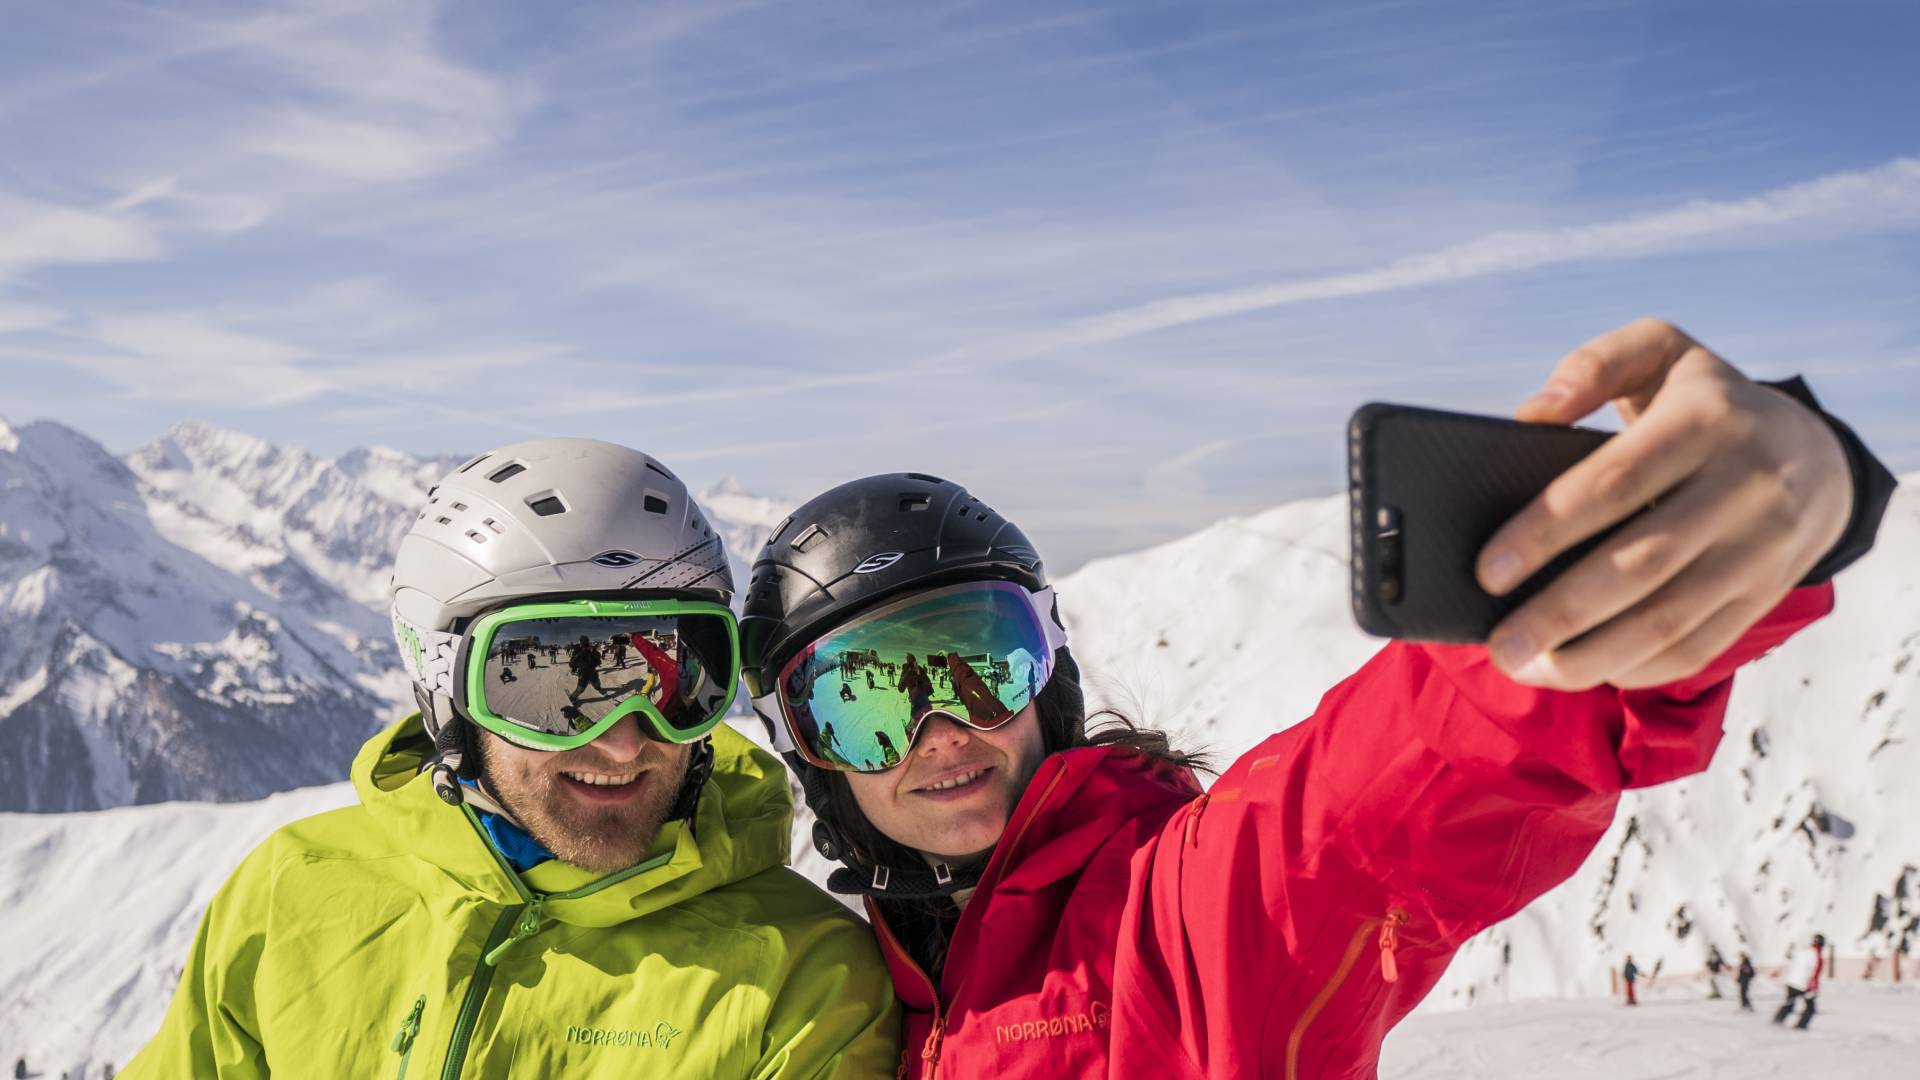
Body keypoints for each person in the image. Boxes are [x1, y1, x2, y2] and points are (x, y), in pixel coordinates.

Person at [738, 320, 1896, 1077]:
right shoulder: (843, 1004)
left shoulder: (1191, 922)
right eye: (864, 703)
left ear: (1052, 671)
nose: (941, 730)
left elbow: (1406, 780)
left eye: (980, 660)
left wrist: (1743, 518)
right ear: (811, 755)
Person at [127, 438, 898, 1077]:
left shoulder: (801, 979)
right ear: (445, 691)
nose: (627, 741)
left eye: (675, 682)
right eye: (551, 686)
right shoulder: (290, 892)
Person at [1774, 932, 1826, 1030]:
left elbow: (1790, 958)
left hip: (1791, 982)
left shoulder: (1803, 951)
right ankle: (1801, 1026)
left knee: (1789, 1003)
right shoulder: (1817, 957)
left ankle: (1777, 1021)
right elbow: (1814, 975)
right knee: (1810, 1008)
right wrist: (1812, 989)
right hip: (1803, 985)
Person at [567, 634, 606, 703]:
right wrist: (573, 669)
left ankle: (599, 689)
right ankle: (572, 697)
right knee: (581, 688)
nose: (584, 644)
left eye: (586, 642)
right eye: (583, 643)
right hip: (583, 672)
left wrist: (593, 651)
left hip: (592, 671)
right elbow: (572, 663)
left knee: (597, 683)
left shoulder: (591, 648)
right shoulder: (577, 650)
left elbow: (598, 659)